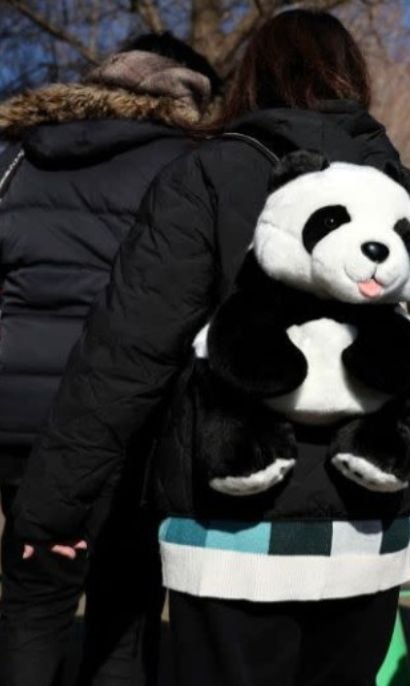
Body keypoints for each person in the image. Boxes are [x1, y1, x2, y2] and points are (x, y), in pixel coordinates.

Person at [9, 10, 410, 686]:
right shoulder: (408, 197)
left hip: (228, 535)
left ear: (252, 79)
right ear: (354, 79)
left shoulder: (206, 177)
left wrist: (52, 507)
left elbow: (125, 355)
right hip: (363, 533)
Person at [0, 33, 220, 686]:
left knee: (33, 601)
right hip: (126, 421)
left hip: (16, 417)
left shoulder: (17, 158)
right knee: (123, 616)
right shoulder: (188, 166)